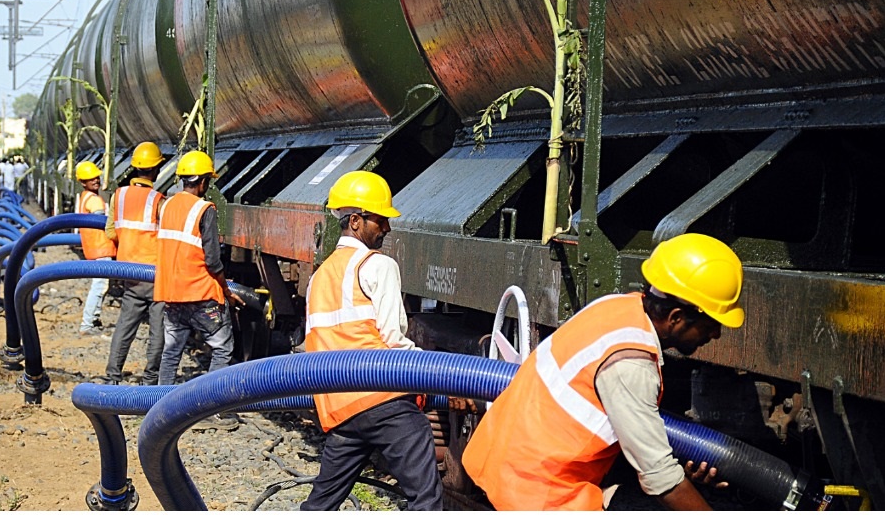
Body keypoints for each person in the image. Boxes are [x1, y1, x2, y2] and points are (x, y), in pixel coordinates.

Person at [461, 232, 744, 511]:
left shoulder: (617, 307)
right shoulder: (630, 364)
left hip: (507, 465)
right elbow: (661, 480)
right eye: (710, 324)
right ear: (676, 318)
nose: (716, 334)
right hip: (541, 494)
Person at [298, 170, 441, 511]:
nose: (387, 229)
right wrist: (436, 372)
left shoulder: (318, 278)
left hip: (340, 411)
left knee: (320, 504)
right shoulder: (378, 265)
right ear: (357, 221)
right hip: (383, 401)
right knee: (426, 499)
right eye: (381, 220)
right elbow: (393, 339)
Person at [156, 150, 245, 386]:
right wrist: (226, 290)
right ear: (204, 181)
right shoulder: (205, 209)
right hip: (200, 294)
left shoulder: (166, 205)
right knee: (223, 348)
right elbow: (213, 261)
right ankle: (212, 405)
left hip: (172, 294)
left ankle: (160, 408)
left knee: (172, 351)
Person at [100, 142, 169, 384]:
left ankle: (112, 376)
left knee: (125, 327)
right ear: (156, 169)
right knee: (158, 329)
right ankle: (150, 379)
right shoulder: (159, 200)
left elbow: (110, 232)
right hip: (154, 274)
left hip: (130, 273)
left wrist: (129, 243)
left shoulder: (118, 196)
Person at [74, 160, 117, 335]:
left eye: (96, 177)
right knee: (99, 286)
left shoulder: (84, 197)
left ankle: (94, 318)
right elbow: (102, 221)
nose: (95, 180)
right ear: (83, 182)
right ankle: (87, 324)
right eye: (90, 178)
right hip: (101, 248)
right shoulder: (94, 200)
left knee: (101, 285)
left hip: (95, 248)